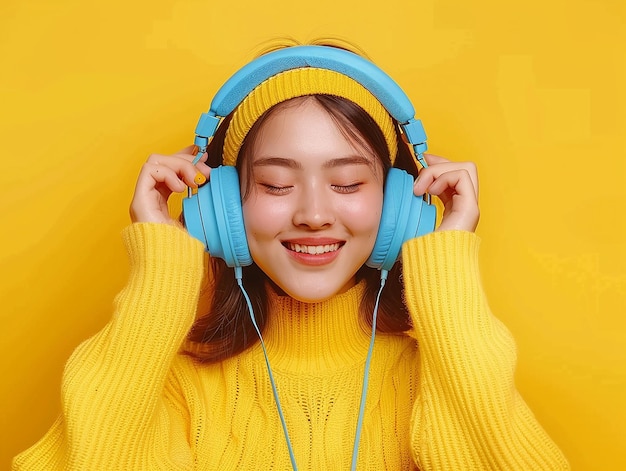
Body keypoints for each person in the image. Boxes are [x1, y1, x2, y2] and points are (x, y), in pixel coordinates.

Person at [13, 39, 569, 470]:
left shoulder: (441, 378)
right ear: (222, 206)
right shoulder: (178, 388)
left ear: (402, 204)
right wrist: (161, 267)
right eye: (277, 184)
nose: (313, 213)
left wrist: (448, 264)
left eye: (348, 184)